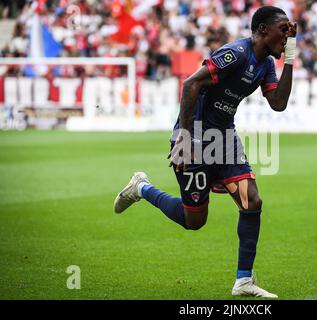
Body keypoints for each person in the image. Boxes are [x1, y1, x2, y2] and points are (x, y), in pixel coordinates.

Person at [114, 6, 297, 298]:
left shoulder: (265, 64)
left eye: (290, 30)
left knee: (252, 201)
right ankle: (141, 188)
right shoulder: (236, 53)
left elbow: (278, 103)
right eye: (283, 29)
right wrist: (185, 139)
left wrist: (290, 55)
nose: (288, 34)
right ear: (263, 29)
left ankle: (243, 281)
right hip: (197, 138)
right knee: (194, 221)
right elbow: (191, 84)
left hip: (224, 138)